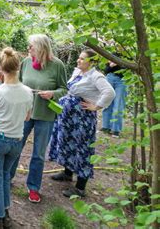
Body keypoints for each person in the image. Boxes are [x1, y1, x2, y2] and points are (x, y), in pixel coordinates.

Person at [9, 34, 68, 203]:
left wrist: (52, 94)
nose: (28, 49)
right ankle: (8, 178)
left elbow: (64, 89)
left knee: (38, 154)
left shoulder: (57, 65)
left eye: (31, 46)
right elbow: (18, 82)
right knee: (15, 146)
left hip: (45, 116)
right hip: (25, 113)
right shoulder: (27, 62)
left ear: (41, 47)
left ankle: (33, 187)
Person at [49, 49, 115, 197]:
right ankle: (67, 173)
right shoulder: (78, 72)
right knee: (68, 143)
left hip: (82, 120)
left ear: (91, 62)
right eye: (78, 58)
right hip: (69, 118)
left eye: (82, 59)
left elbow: (110, 92)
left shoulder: (96, 76)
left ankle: (80, 187)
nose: (78, 60)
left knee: (82, 149)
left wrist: (97, 106)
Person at [0, 48, 33, 228]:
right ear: (18, 67)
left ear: (1, 68)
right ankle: (5, 211)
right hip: (16, 140)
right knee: (4, 176)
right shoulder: (27, 92)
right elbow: (27, 117)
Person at [101, 58, 127, 137]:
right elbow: (106, 71)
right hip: (110, 78)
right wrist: (111, 65)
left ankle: (116, 130)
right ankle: (106, 126)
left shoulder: (127, 54)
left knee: (119, 104)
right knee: (108, 102)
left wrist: (118, 64)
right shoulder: (111, 54)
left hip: (122, 80)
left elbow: (128, 70)